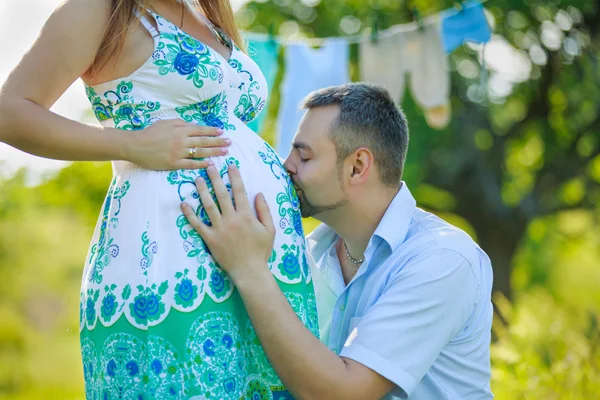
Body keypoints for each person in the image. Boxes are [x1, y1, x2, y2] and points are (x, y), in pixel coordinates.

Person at [0, 0, 316, 398]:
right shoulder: (100, 11)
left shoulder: (205, 13)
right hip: (171, 257)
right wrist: (130, 144)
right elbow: (9, 113)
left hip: (261, 256)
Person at [181, 83, 495, 399]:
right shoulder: (309, 253)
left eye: (303, 156)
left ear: (357, 167)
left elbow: (343, 394)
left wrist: (249, 269)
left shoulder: (441, 259)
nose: (285, 165)